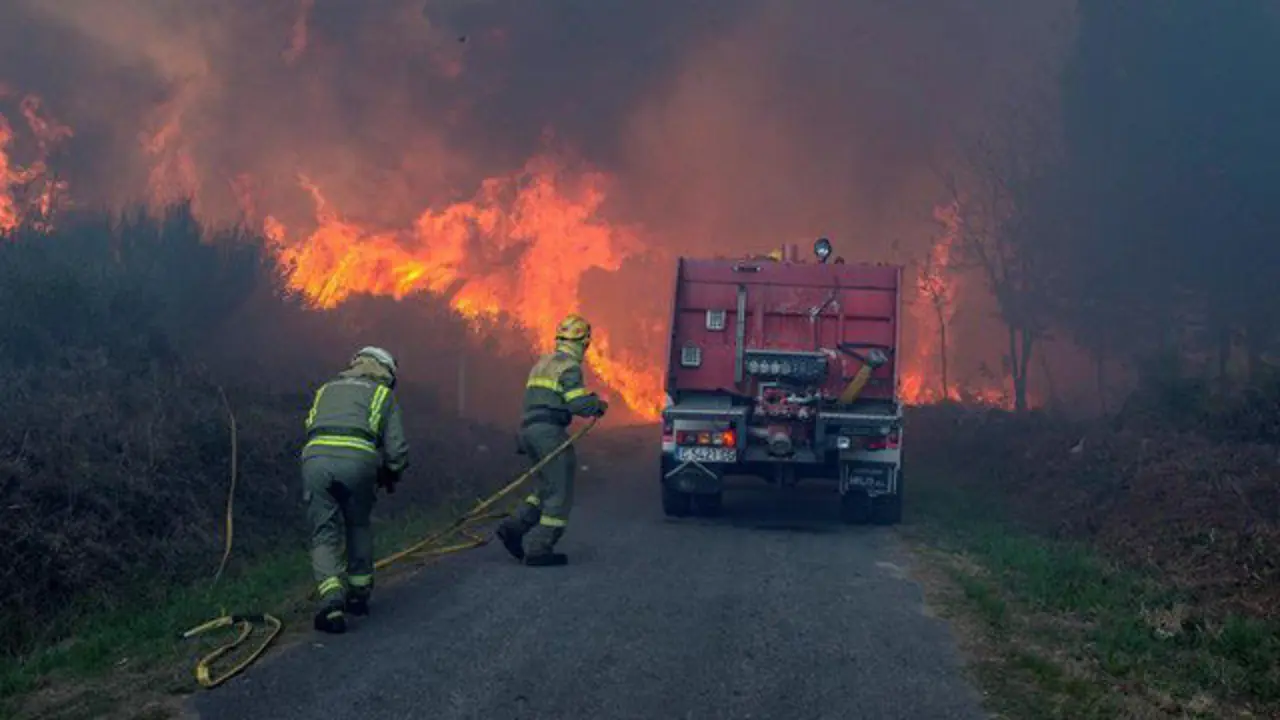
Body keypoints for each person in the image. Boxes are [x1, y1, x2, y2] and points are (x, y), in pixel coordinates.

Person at [300, 346, 409, 634]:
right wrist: (391, 473)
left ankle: (331, 599)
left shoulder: (326, 389)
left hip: (316, 460)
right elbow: (397, 450)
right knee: (358, 525)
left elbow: (311, 425)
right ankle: (358, 596)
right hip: (358, 462)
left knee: (323, 532)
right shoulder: (383, 394)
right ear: (385, 371)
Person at [495, 314, 607, 566]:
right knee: (560, 490)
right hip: (549, 433)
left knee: (544, 488)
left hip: (528, 431)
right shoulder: (569, 367)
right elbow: (577, 402)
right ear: (582, 342)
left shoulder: (542, 363)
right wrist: (597, 405)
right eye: (586, 345)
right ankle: (540, 547)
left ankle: (514, 527)